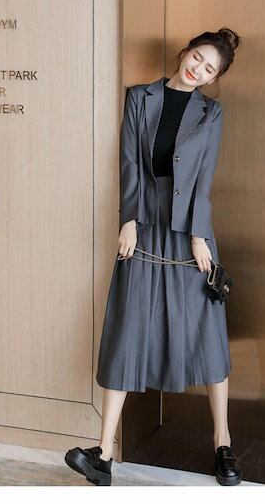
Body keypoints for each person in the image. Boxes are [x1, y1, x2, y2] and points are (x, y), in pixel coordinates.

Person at [65, 28, 242, 487]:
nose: (198, 69)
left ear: (214, 78)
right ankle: (104, 454)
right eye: (198, 57)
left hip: (190, 231)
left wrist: (199, 236)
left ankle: (222, 443)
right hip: (143, 224)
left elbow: (204, 178)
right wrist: (128, 219)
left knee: (206, 330)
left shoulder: (211, 113)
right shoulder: (139, 97)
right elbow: (129, 163)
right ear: (186, 51)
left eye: (210, 69)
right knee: (128, 325)